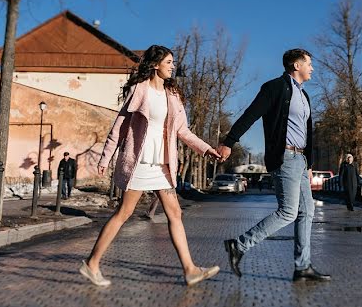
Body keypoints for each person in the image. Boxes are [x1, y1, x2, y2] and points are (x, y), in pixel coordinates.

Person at [80, 45, 223, 287]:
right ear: (155, 64)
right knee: (124, 213)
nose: (172, 66)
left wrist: (205, 148)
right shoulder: (139, 90)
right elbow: (119, 128)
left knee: (175, 213)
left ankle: (190, 269)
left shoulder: (173, 95)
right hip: (140, 163)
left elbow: (183, 131)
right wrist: (105, 158)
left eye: (173, 62)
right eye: (168, 62)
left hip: (162, 165)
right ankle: (92, 264)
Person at [217, 48, 331, 282]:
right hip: (285, 158)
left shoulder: (305, 96)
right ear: (296, 65)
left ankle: (303, 267)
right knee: (288, 211)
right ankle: (239, 245)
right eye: (309, 63)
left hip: (301, 160)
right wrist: (229, 142)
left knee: (307, 212)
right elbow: (251, 114)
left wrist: (309, 163)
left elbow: (306, 132)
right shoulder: (275, 88)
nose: (312, 68)